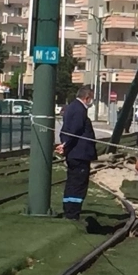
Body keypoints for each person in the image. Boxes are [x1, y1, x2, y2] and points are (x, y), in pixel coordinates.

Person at [56, 86, 98, 221]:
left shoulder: (71, 107)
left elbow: (65, 129)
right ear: (87, 98)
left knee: (72, 182)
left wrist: (64, 144)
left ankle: (69, 209)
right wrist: (65, 144)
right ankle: (73, 212)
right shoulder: (80, 110)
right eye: (91, 98)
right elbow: (75, 129)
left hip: (74, 153)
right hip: (80, 153)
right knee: (78, 183)